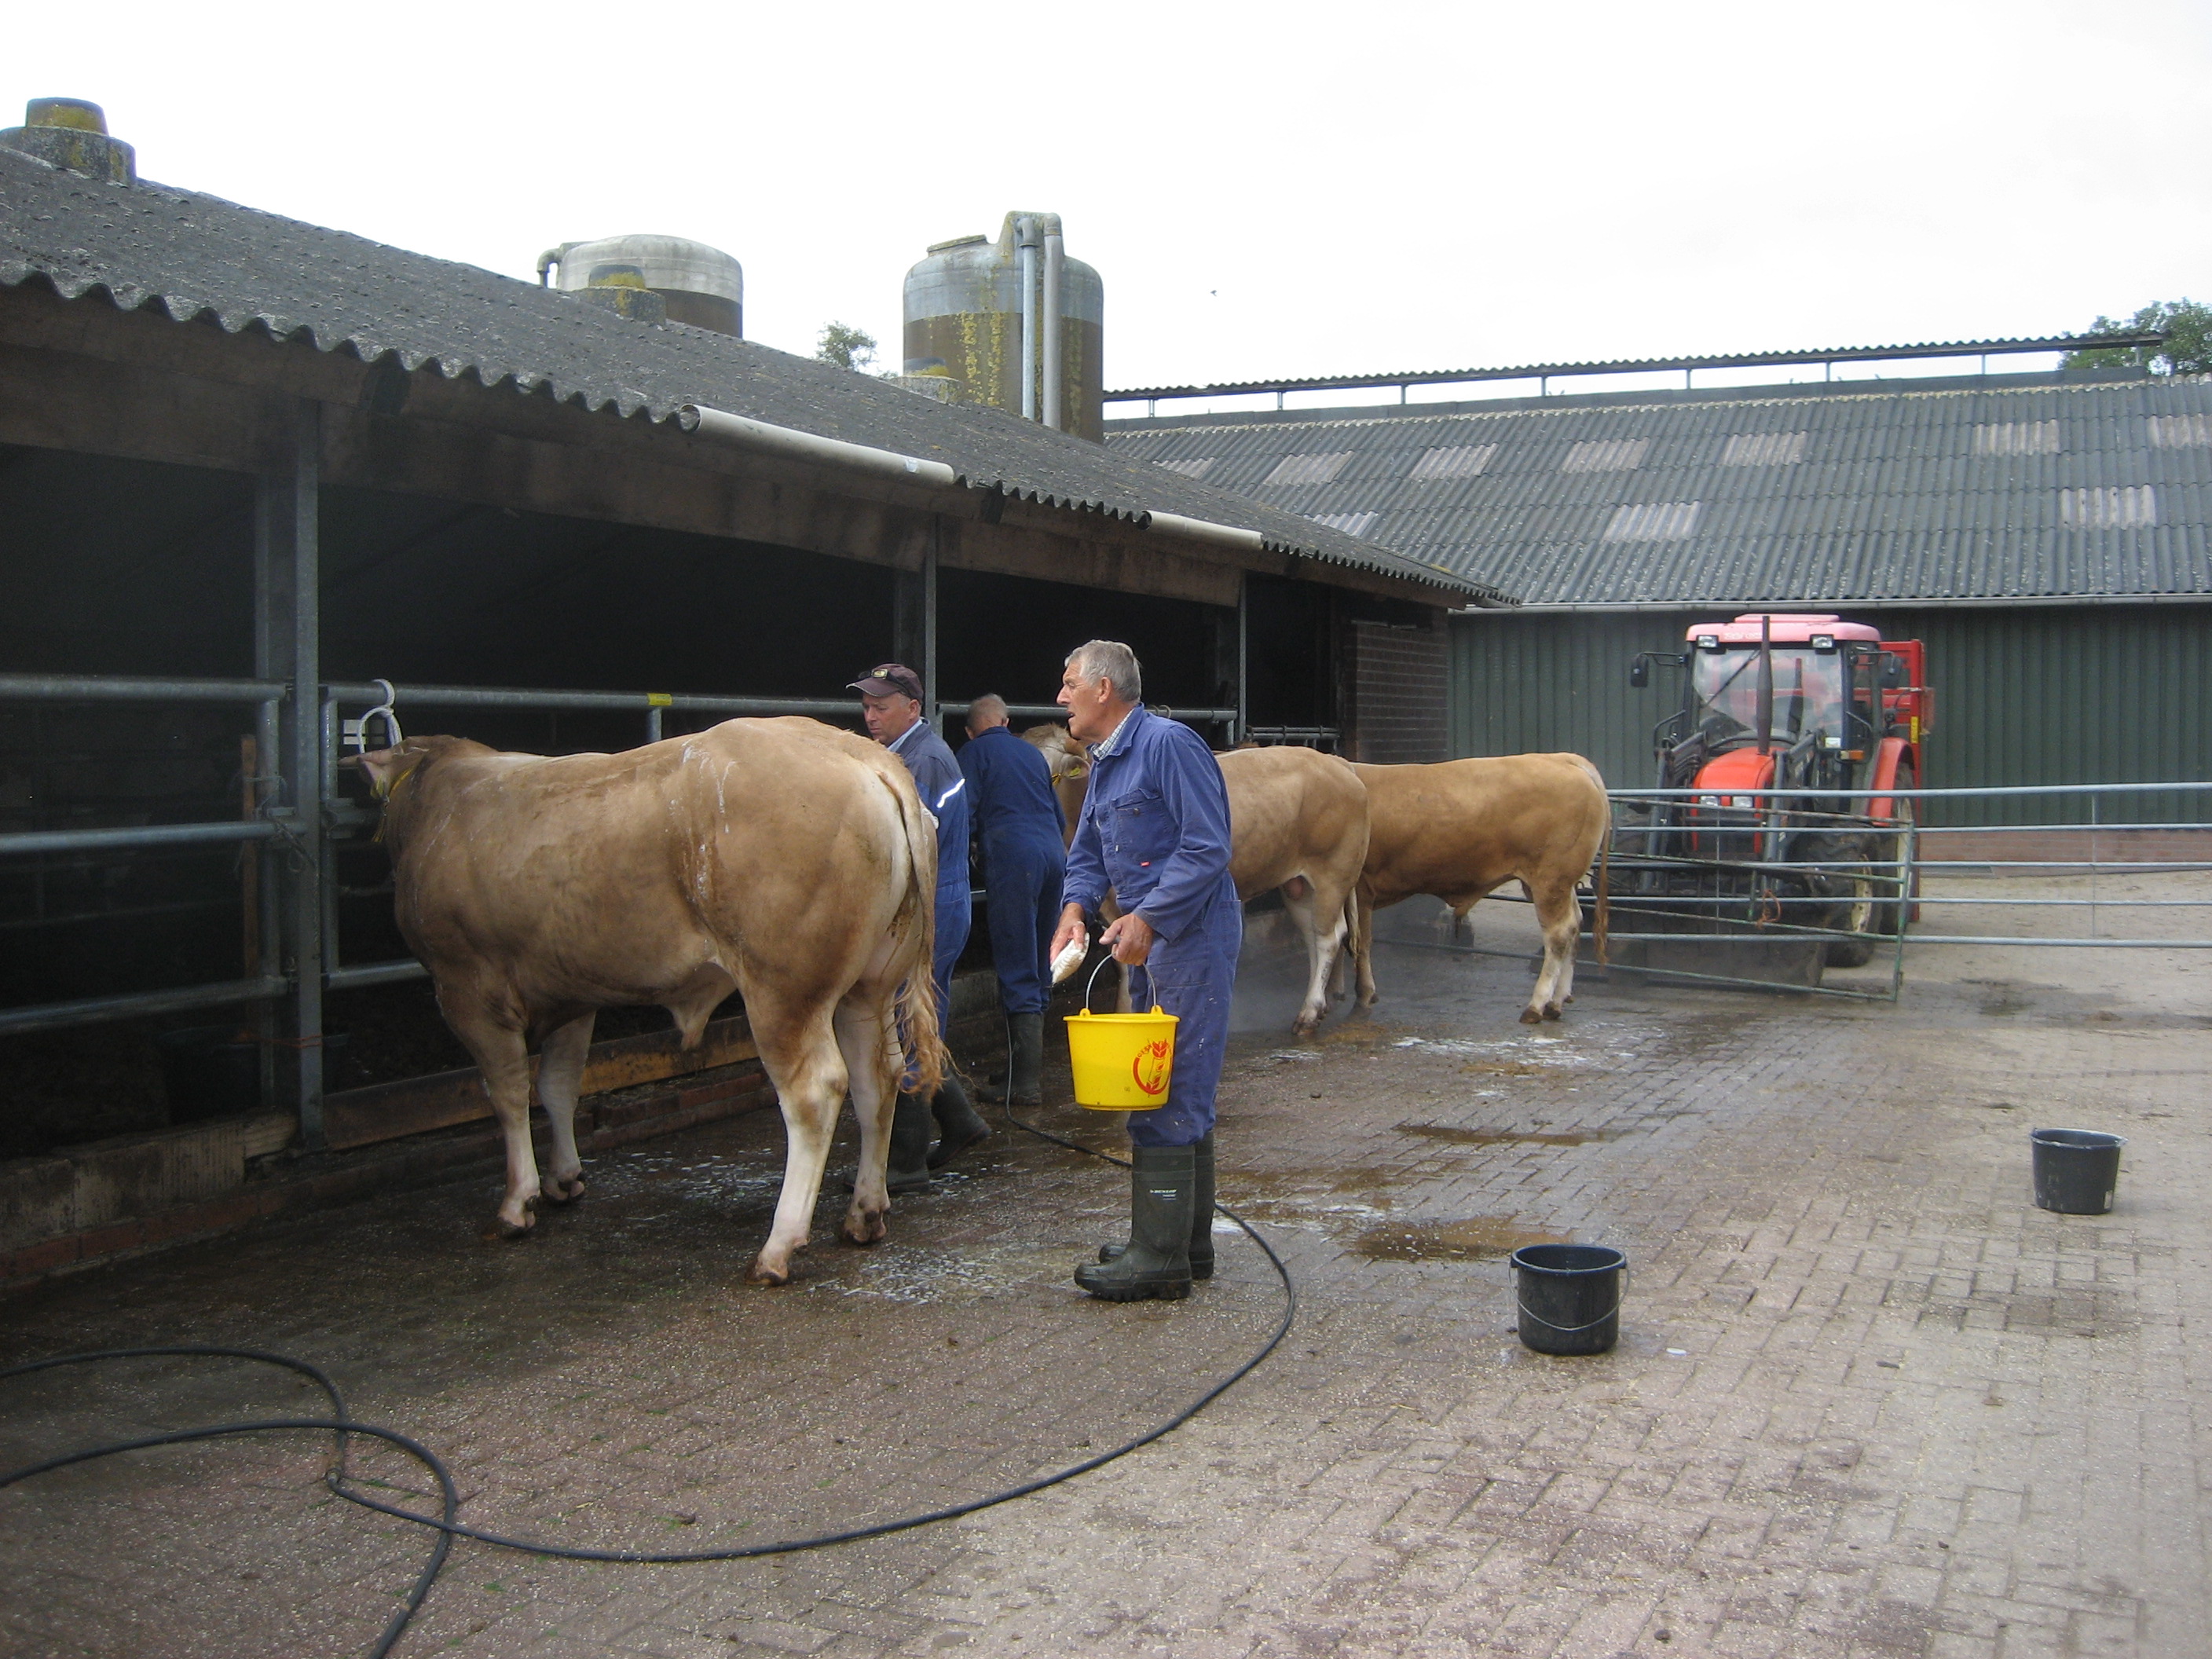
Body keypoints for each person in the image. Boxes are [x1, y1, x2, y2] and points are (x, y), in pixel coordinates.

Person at [1049, 640, 1240, 1302]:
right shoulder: (1104, 763)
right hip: (1157, 936)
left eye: (1069, 683)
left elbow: (1208, 845)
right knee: (1170, 1075)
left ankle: (1158, 1258)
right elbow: (1091, 850)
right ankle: (1186, 1243)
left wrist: (1150, 918)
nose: (1060, 697)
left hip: (1191, 933)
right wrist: (1075, 911)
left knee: (1165, 1079)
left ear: (1104, 689)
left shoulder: (1169, 745)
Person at [848, 662, 989, 1190]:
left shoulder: (924, 760)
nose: (871, 716)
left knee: (911, 1023)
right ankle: (961, 1121)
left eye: (881, 707)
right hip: (929, 902)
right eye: (866, 707)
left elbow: (910, 847)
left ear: (913, 707)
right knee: (916, 1023)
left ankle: (904, 1163)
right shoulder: (903, 754)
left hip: (934, 906)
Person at [958, 694, 1068, 1120]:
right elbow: (1058, 818)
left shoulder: (971, 753)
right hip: (1052, 856)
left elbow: (963, 815)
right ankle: (1016, 1071)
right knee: (1040, 956)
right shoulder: (1032, 754)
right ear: (1005, 721)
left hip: (1013, 858)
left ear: (971, 729)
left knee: (1016, 956)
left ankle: (1024, 1085)